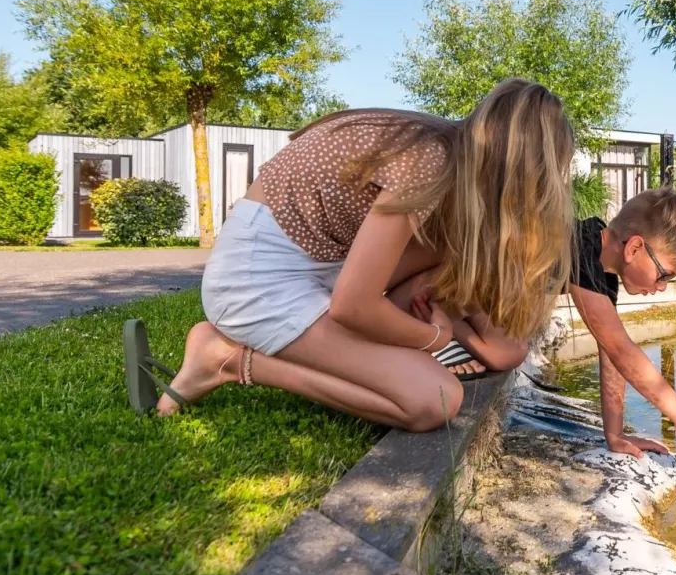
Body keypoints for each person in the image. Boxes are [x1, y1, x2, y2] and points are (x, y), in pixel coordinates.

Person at [133, 78, 574, 430]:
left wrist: (455, 323)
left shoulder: (448, 163)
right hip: (258, 281)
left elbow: (506, 349)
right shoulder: (429, 163)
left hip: (319, 265)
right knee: (434, 400)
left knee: (456, 261)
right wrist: (436, 338)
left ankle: (256, 353)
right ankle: (225, 359)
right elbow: (352, 305)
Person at [567, 187, 676, 457]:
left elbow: (610, 352)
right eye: (663, 275)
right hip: (475, 283)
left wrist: (616, 435)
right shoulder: (581, 252)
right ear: (634, 248)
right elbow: (621, 351)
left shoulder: (601, 264)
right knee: (506, 354)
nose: (662, 287)